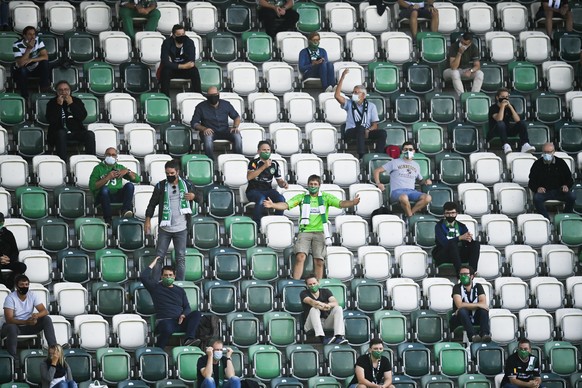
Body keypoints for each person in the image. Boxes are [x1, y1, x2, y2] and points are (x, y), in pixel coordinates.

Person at [264, 174, 360, 280]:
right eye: (311, 184)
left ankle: (317, 284)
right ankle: (295, 283)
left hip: (320, 232)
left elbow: (341, 203)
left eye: (315, 184)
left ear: (319, 186)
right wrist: (273, 205)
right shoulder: (302, 197)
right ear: (307, 185)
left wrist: (352, 203)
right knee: (300, 257)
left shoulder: (326, 197)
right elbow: (286, 205)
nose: (313, 186)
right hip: (304, 231)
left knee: (319, 260)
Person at [144, 159, 196, 281]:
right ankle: (155, 284)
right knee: (159, 257)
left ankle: (180, 285)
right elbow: (152, 204)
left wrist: (194, 196)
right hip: (165, 228)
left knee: (180, 258)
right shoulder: (161, 185)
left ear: (177, 172)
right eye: (167, 173)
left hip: (181, 228)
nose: (169, 175)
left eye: (172, 173)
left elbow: (200, 196)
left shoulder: (187, 185)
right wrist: (147, 220)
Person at [140, 256, 202, 349]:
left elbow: (187, 307)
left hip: (180, 321)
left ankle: (189, 339)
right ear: (162, 276)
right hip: (165, 321)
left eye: (170, 275)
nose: (168, 277)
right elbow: (143, 276)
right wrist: (154, 263)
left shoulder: (180, 290)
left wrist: (184, 315)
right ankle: (159, 349)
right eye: (165, 275)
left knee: (197, 314)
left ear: (174, 276)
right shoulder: (155, 287)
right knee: (167, 328)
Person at [335, 69, 386, 160]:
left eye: (356, 92)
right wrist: (342, 78)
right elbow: (337, 96)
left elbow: (375, 124)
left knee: (382, 133)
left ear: (363, 95)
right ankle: (362, 156)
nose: (353, 94)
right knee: (360, 128)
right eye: (353, 92)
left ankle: (378, 155)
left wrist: (369, 130)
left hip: (366, 131)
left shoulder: (371, 106)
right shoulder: (349, 103)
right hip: (351, 131)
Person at [2, 274, 57, 357]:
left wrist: (36, 315)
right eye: (22, 285)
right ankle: (12, 357)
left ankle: (54, 351)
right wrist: (26, 322)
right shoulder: (10, 298)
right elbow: (9, 319)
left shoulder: (32, 295)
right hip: (14, 327)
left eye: (26, 284)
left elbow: (45, 311)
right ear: (16, 286)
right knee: (11, 327)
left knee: (46, 319)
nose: (24, 287)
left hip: (29, 325)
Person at [373, 142, 432, 217]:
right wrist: (378, 183)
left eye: (410, 149)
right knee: (404, 197)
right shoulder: (394, 162)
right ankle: (410, 217)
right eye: (405, 149)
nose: (408, 151)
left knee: (428, 198)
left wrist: (426, 182)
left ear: (414, 151)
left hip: (411, 191)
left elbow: (420, 181)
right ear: (402, 151)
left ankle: (409, 215)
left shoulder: (416, 165)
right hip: (396, 192)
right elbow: (376, 171)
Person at [45, 80, 96, 162]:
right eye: (61, 90)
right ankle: (62, 161)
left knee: (90, 134)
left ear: (70, 91)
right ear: (57, 91)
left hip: (75, 132)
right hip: (58, 133)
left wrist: (72, 104)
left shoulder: (76, 101)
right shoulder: (52, 103)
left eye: (66, 89)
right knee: (61, 133)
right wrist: (58, 105)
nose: (63, 92)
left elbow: (82, 116)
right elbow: (51, 120)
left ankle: (91, 160)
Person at [88, 147, 141, 225]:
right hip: (103, 196)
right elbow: (92, 186)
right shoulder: (98, 169)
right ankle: (108, 219)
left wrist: (127, 171)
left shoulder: (119, 167)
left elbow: (137, 179)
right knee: (104, 190)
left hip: (117, 195)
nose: (111, 157)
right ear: (105, 155)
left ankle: (125, 210)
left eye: (113, 155)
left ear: (116, 157)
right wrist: (107, 178)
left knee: (130, 186)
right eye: (108, 154)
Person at [191, 86, 242, 161]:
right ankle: (210, 161)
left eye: (215, 95)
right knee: (208, 138)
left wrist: (235, 126)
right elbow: (194, 123)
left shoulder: (226, 104)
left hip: (225, 130)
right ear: (207, 96)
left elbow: (237, 117)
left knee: (237, 135)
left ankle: (238, 159)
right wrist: (204, 129)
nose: (213, 97)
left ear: (218, 94)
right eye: (210, 96)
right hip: (209, 131)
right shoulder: (200, 107)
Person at [246, 140, 289, 228]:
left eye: (268, 150)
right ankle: (256, 226)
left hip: (268, 190)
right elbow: (249, 177)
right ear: (258, 151)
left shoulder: (275, 164)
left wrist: (283, 184)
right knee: (261, 199)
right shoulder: (254, 163)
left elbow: (279, 181)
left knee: (281, 199)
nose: (266, 152)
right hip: (253, 190)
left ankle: (277, 223)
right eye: (264, 150)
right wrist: (264, 167)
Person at [528, 142, 575, 219]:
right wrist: (537, 188)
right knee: (536, 198)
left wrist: (566, 186)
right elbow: (531, 182)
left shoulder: (561, 163)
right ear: (542, 152)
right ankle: (546, 219)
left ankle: (565, 217)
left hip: (559, 191)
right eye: (545, 152)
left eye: (549, 152)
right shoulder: (537, 164)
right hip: (544, 192)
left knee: (572, 196)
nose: (547, 154)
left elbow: (569, 179)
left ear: (553, 152)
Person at [432, 202, 480, 273]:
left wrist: (469, 239)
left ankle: (472, 272)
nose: (450, 215)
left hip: (459, 254)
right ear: (444, 214)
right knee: (452, 244)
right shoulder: (439, 226)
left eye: (453, 213)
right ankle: (460, 273)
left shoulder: (461, 226)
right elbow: (444, 243)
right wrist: (459, 238)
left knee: (475, 244)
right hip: (443, 254)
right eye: (448, 213)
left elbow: (466, 240)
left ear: (456, 213)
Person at [300, 274, 348, 345]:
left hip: (325, 321)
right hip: (310, 324)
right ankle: (322, 338)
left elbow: (335, 302)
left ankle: (338, 337)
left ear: (318, 282)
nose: (313, 286)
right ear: (307, 285)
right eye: (310, 284)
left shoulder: (326, 291)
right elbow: (311, 301)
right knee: (314, 309)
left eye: (314, 283)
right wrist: (320, 305)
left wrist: (328, 305)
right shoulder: (303, 293)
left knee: (338, 308)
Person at [450, 265, 491, 343]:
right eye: (461, 274)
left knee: (484, 310)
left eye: (465, 274)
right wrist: (477, 305)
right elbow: (459, 305)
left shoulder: (478, 286)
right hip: (460, 319)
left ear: (472, 276)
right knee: (462, 311)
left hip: (475, 317)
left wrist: (469, 305)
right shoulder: (457, 287)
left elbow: (483, 303)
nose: (463, 276)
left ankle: (485, 334)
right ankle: (472, 336)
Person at [488, 88, 535, 154]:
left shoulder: (510, 107)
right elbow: (499, 119)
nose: (505, 98)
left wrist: (510, 107)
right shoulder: (493, 108)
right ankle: (505, 145)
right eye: (503, 97)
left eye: (507, 97)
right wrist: (502, 107)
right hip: (496, 132)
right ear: (497, 97)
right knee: (501, 123)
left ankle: (525, 144)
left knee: (521, 123)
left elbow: (517, 120)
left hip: (507, 130)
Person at [159, 24, 201, 97]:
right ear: (173, 35)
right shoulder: (167, 43)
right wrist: (183, 66)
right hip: (172, 70)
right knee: (165, 71)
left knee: (194, 71)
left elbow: (191, 62)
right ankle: (165, 97)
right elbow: (165, 62)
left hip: (183, 69)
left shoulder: (189, 42)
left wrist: (174, 64)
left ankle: (198, 96)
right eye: (179, 34)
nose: (181, 36)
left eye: (183, 34)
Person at [12, 26, 50, 98]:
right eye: (30, 34)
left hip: (35, 67)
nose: (32, 37)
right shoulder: (16, 45)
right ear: (24, 36)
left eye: (34, 34)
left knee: (45, 62)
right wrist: (29, 49)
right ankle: (25, 96)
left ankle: (44, 88)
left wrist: (31, 59)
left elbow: (45, 56)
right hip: (22, 69)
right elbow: (21, 64)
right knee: (22, 70)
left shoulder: (38, 40)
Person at [442, 32, 483, 96]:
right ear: (461, 39)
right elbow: (453, 67)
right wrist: (459, 53)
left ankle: (474, 95)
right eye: (462, 42)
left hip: (464, 70)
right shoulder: (454, 46)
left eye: (465, 44)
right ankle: (462, 95)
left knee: (480, 73)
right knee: (455, 72)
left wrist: (471, 70)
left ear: (470, 43)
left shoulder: (473, 48)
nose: (463, 45)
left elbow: (477, 66)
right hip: (449, 71)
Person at [0, 213, 27, 290]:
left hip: (8, 261)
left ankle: (8, 284)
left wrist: (9, 259)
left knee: (22, 267)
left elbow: (15, 251)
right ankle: (1, 285)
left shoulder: (9, 234)